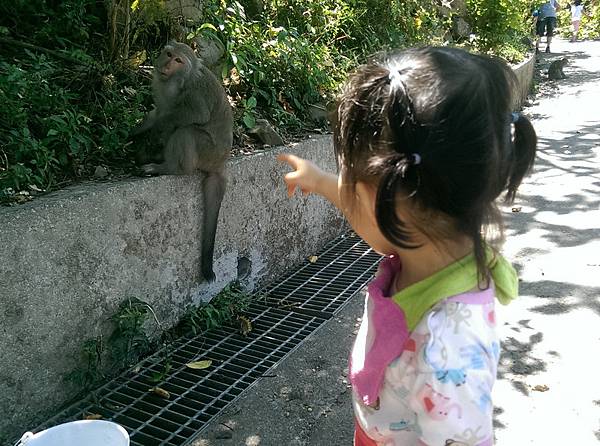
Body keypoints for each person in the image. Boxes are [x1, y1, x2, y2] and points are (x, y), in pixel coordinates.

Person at [278, 46, 537, 445]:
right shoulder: (435, 241)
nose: (346, 197)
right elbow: (371, 205)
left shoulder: (446, 351)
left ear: (388, 203)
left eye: (350, 191)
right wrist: (320, 181)